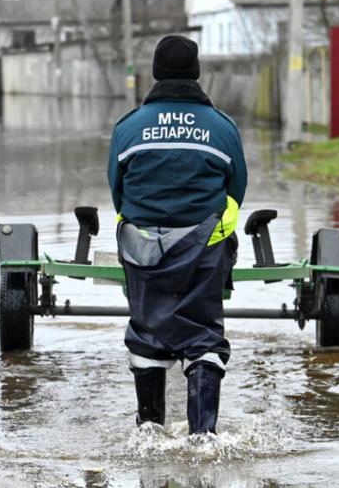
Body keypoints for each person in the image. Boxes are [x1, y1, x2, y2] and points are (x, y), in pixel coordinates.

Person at [107, 35, 248, 435]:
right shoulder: (222, 128)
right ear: (196, 73)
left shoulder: (128, 128)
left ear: (155, 73)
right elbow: (237, 189)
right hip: (205, 250)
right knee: (203, 335)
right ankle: (203, 436)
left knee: (147, 332)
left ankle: (149, 431)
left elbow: (117, 191)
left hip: (141, 249)